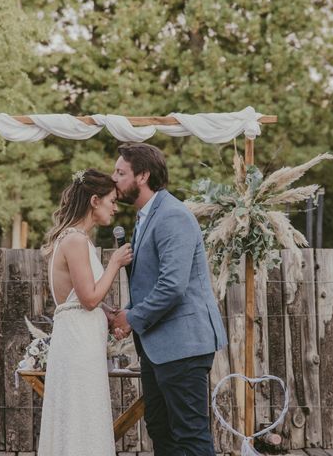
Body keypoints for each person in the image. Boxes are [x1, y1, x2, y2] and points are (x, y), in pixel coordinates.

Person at [110, 143, 228, 456]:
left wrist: (132, 319)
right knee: (161, 430)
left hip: (183, 345)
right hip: (158, 347)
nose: (114, 179)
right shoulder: (144, 217)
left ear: (142, 176)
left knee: (189, 435)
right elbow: (150, 284)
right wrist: (126, 312)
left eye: (120, 173)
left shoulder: (173, 216)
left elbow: (172, 286)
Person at [37, 168, 133, 456]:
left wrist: (106, 310)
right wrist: (114, 263)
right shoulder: (75, 240)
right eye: (112, 200)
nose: (115, 208)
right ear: (94, 200)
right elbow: (88, 298)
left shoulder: (75, 239)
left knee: (83, 417)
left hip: (80, 339)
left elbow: (78, 298)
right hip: (78, 344)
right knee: (81, 418)